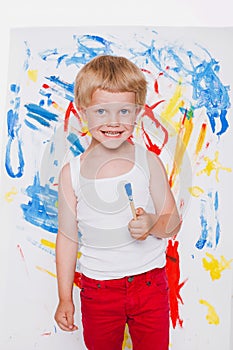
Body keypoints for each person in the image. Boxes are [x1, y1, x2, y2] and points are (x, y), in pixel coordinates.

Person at [54, 55, 181, 350]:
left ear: (137, 112)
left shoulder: (148, 161)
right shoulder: (71, 173)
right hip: (98, 289)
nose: (113, 122)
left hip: (149, 284)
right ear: (83, 112)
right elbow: (67, 238)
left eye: (124, 111)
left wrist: (152, 223)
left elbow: (172, 223)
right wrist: (64, 297)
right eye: (101, 111)